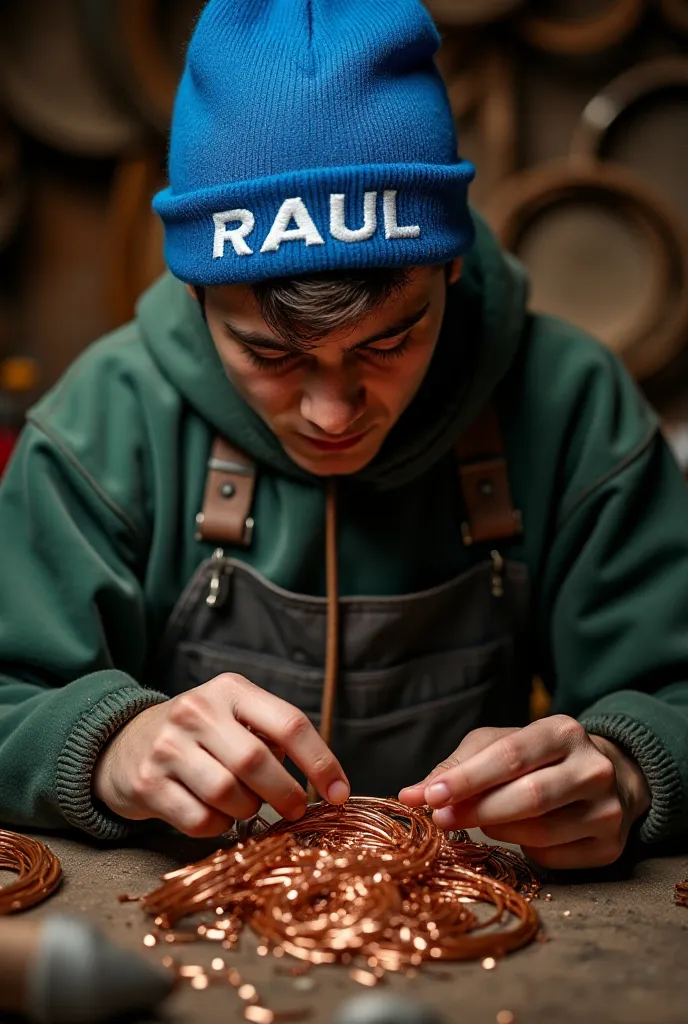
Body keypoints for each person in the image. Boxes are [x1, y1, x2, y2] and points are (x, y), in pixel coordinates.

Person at [0, 0, 687, 872]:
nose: (332, 414)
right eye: (268, 353)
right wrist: (104, 744)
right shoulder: (103, 419)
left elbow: (679, 696)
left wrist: (633, 767)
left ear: (451, 264)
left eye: (390, 340)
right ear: (194, 296)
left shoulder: (571, 401)